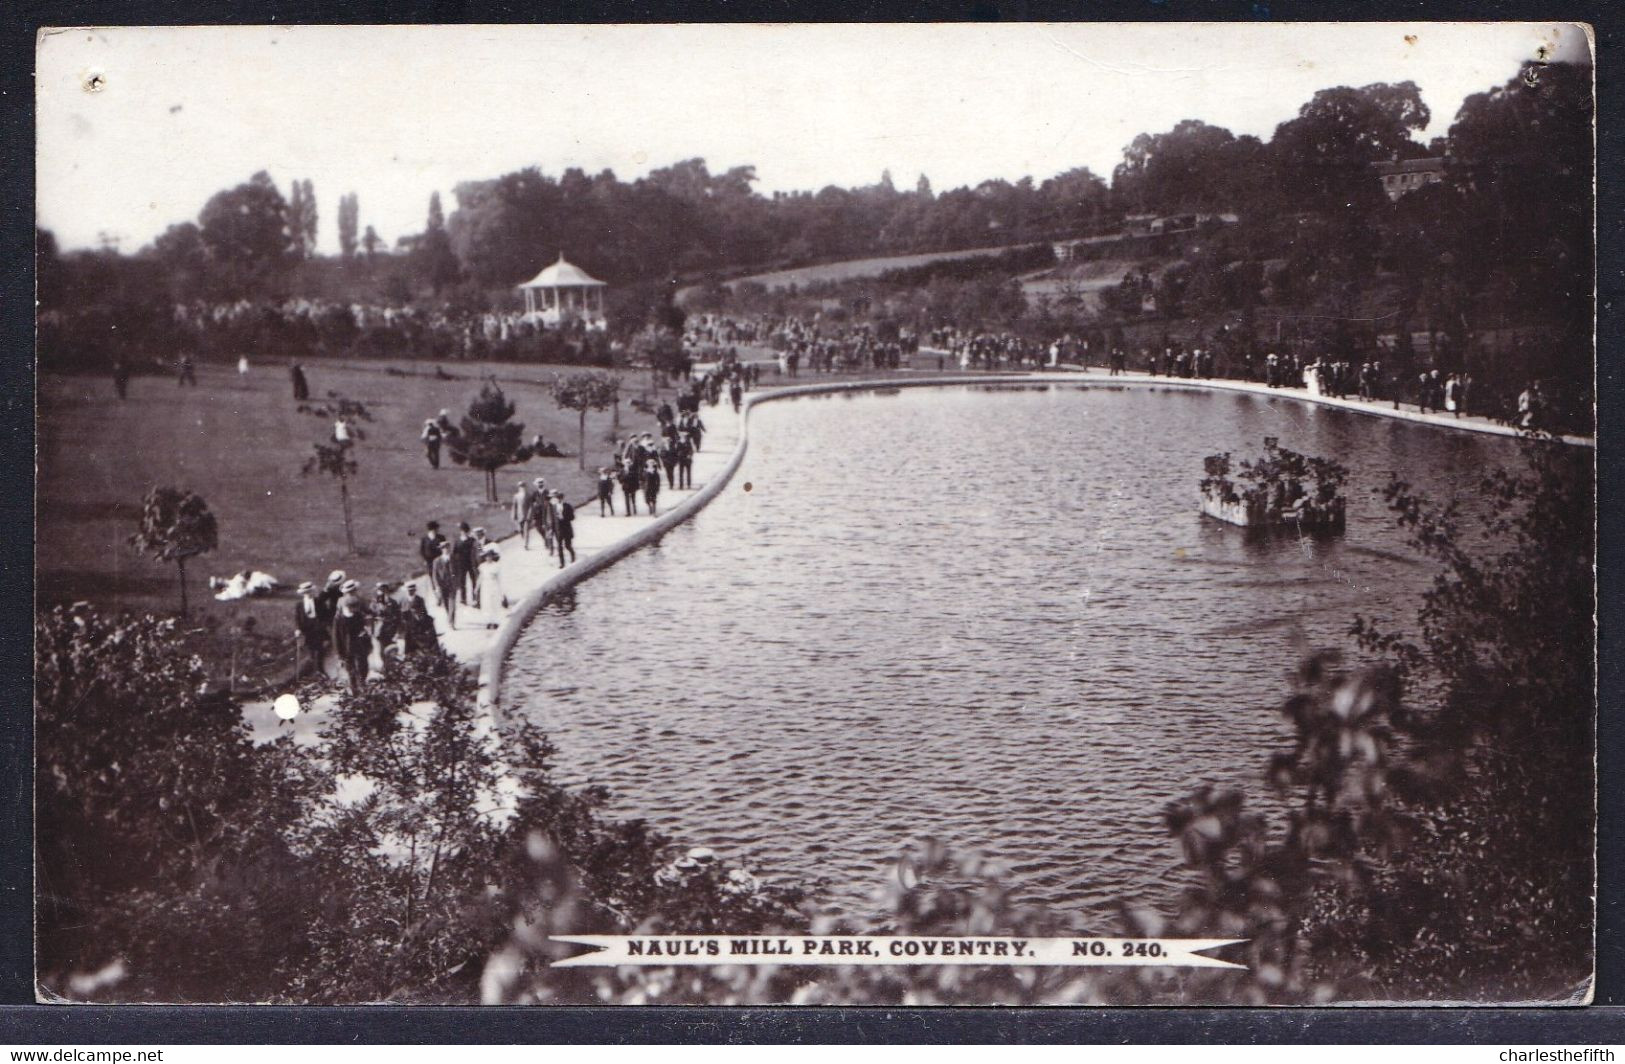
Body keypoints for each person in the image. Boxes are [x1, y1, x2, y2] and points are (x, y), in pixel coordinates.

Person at [331, 579, 371, 693]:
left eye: (355, 608)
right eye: (351, 608)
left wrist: (365, 636)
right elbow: (336, 636)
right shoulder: (339, 619)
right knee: (350, 668)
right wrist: (339, 653)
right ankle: (354, 687)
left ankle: (362, 683)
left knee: (362, 665)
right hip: (346, 646)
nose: (354, 610)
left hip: (359, 645)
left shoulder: (358, 614)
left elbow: (365, 627)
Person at [293, 581, 328, 677]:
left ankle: (320, 670)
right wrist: (297, 629)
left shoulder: (318, 602)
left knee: (320, 650)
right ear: (303, 594)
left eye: (310, 592)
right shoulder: (299, 605)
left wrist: (323, 624)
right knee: (311, 649)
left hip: (318, 628)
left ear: (312, 592)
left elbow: (325, 615)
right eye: (306, 592)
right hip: (307, 630)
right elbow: (297, 618)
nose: (308, 594)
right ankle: (314, 670)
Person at [402, 582, 438, 655]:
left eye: (412, 590)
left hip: (420, 623)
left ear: (415, 590)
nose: (411, 591)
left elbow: (424, 611)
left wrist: (419, 615)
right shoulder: (404, 600)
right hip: (410, 624)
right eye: (409, 590)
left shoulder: (420, 599)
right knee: (409, 641)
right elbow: (403, 613)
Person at [430, 541, 459, 629]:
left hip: (452, 584)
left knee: (452, 603)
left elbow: (459, 571)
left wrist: (458, 583)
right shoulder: (437, 561)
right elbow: (434, 575)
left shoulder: (454, 558)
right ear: (441, 550)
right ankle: (449, 617)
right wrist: (437, 586)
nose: (446, 550)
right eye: (443, 548)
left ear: (449, 548)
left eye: (447, 548)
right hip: (442, 585)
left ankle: (451, 622)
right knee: (446, 604)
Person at [477, 546, 507, 627]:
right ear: (485, 557)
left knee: (495, 603)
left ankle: (495, 621)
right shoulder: (482, 566)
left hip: (494, 585)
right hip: (485, 586)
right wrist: (476, 588)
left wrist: (502, 590)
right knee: (486, 603)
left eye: (490, 556)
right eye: (487, 556)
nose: (488, 558)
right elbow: (480, 577)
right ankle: (488, 621)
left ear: (492, 557)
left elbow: (499, 578)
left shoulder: (496, 566)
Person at [453, 522, 479, 606]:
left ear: (467, 531)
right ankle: (463, 598)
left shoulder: (472, 540)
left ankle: (475, 598)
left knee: (474, 580)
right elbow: (454, 553)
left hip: (471, 564)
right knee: (462, 582)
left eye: (465, 531)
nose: (463, 532)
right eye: (461, 531)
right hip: (461, 565)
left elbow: (478, 549)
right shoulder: (457, 541)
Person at [554, 492, 577, 569]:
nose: (558, 500)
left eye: (559, 498)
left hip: (566, 528)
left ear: (562, 498)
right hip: (558, 529)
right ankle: (562, 563)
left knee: (567, 546)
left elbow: (572, 517)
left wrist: (564, 518)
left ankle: (572, 554)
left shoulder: (567, 506)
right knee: (559, 547)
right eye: (556, 499)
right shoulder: (553, 508)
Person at [512, 480, 534, 546]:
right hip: (519, 515)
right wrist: (514, 515)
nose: (522, 488)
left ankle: (526, 544)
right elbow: (514, 506)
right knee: (521, 530)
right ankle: (522, 536)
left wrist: (529, 515)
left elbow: (531, 506)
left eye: (523, 486)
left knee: (526, 530)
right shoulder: (516, 496)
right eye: (521, 486)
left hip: (527, 516)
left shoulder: (529, 495)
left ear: (525, 487)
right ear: (519, 488)